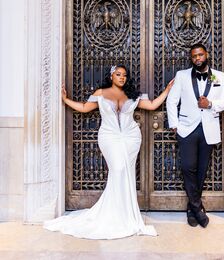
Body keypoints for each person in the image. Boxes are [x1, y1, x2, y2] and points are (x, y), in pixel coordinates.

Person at [44, 64, 174, 239]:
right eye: (118, 74)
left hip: (131, 137)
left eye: (124, 75)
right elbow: (84, 108)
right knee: (118, 170)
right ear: (111, 76)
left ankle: (125, 214)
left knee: (126, 173)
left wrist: (166, 91)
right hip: (109, 137)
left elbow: (151, 105)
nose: (122, 77)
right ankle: (114, 213)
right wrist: (66, 100)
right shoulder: (100, 93)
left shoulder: (132, 95)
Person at [166, 43, 224, 228]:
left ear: (206, 55)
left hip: (209, 128)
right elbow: (172, 101)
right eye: (194, 56)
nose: (197, 59)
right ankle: (198, 207)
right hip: (186, 128)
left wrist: (210, 104)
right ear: (191, 58)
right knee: (188, 168)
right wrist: (174, 125)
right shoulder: (182, 75)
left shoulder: (219, 76)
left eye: (200, 55)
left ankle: (191, 209)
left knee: (202, 170)